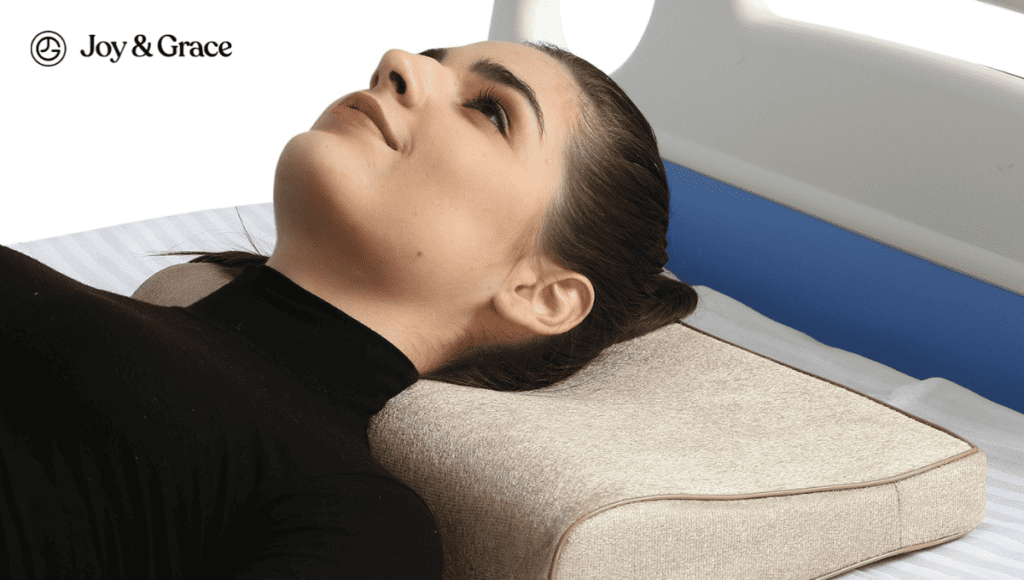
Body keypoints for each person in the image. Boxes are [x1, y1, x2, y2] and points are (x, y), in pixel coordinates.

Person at [0, 40, 698, 578]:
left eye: (490, 110)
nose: (397, 63)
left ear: (539, 295)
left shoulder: (353, 512)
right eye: (428, 60)